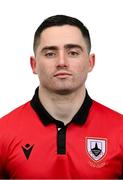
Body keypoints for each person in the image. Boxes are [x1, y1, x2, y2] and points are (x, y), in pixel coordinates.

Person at [0, 14, 123, 179]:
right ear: (34, 64)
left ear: (90, 62)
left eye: (73, 52)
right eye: (50, 53)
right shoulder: (3, 132)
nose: (62, 62)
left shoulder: (120, 130)